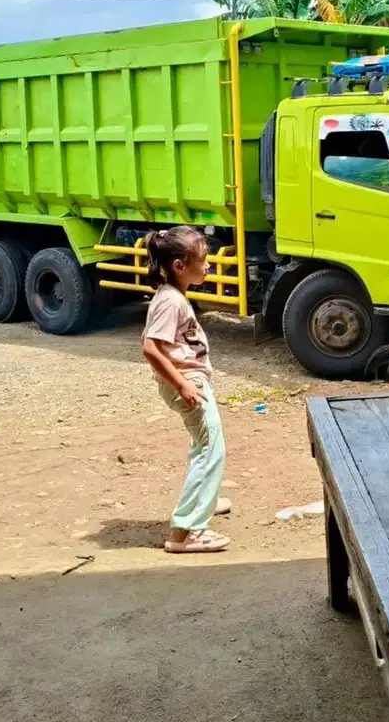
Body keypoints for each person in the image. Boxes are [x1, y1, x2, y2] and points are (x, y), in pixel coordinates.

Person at [141, 226, 230, 554]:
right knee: (210, 449)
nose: (208, 266)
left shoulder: (175, 296)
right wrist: (182, 384)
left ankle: (203, 499)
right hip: (186, 383)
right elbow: (151, 348)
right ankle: (187, 531)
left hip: (190, 381)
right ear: (180, 265)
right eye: (203, 260)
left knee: (204, 445)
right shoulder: (169, 301)